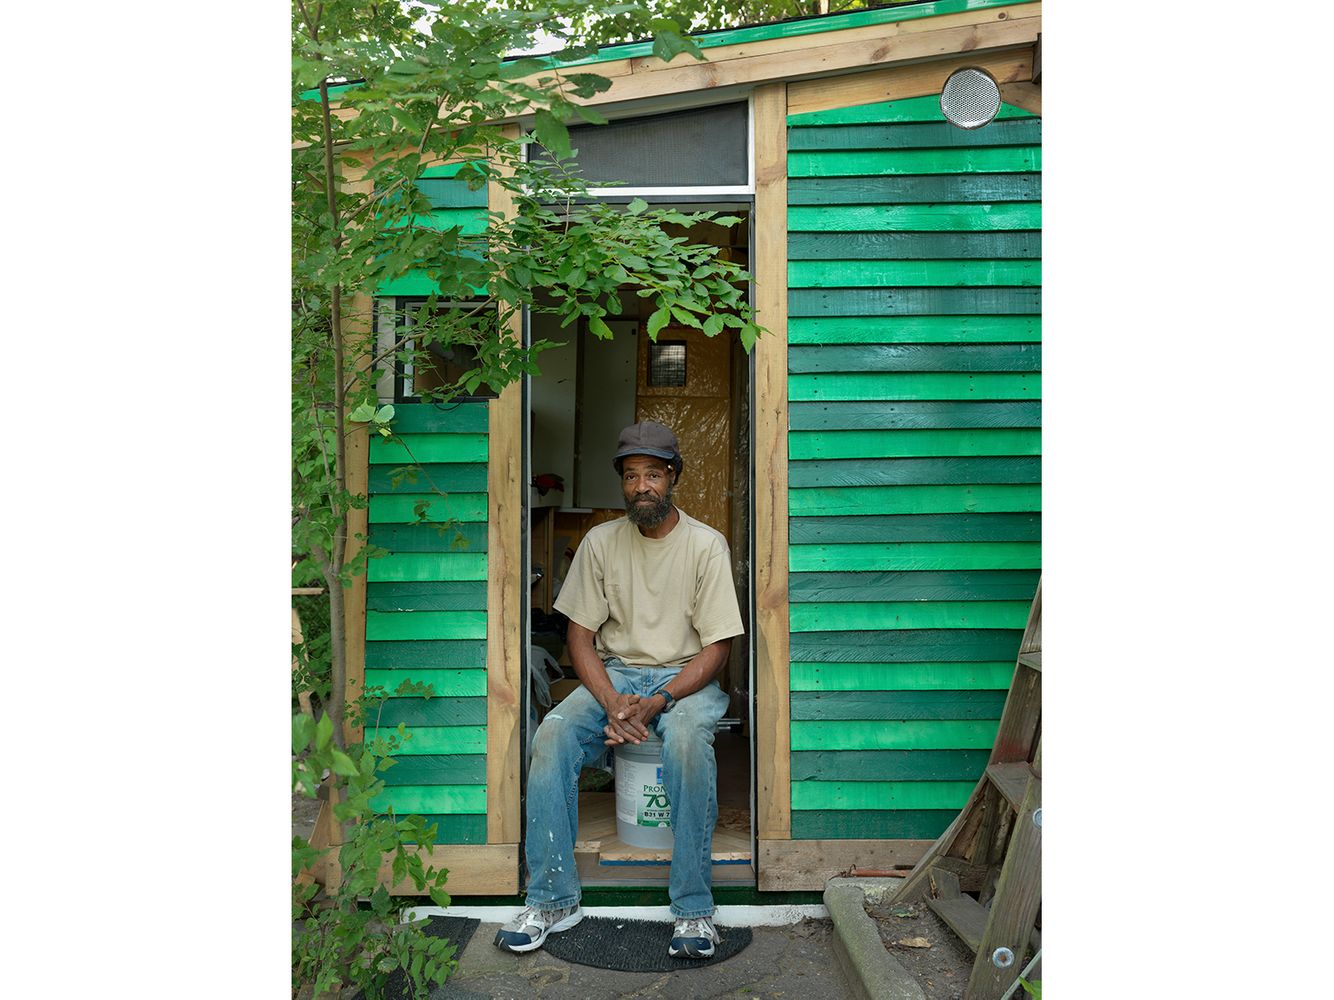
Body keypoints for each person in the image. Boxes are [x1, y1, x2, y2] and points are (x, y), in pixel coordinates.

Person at [494, 420, 744, 959]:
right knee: (553, 735)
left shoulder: (706, 545)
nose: (641, 487)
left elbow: (718, 647)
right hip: (618, 674)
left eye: (653, 474)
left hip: (686, 677)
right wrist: (611, 701)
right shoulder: (600, 542)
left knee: (685, 740)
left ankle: (694, 909)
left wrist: (661, 700)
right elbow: (579, 636)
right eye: (631, 476)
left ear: (673, 477)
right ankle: (552, 899)